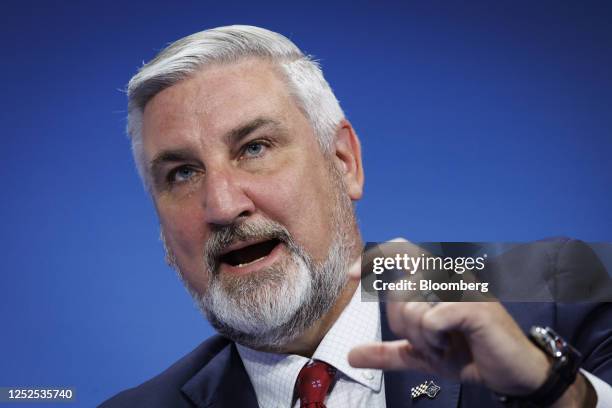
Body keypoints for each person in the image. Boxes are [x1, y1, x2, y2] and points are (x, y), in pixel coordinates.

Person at [101, 25, 612, 407]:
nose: (222, 204)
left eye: (255, 147)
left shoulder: (554, 294)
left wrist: (552, 388)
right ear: (164, 234)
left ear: (343, 162)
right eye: (182, 174)